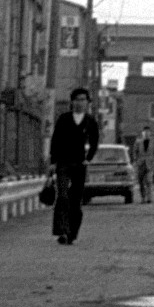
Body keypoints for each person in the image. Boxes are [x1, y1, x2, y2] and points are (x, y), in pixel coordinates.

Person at [48, 86, 99, 245]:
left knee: (76, 199)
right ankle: (62, 230)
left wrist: (88, 158)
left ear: (87, 102)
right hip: (63, 162)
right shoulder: (64, 119)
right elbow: (55, 140)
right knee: (62, 195)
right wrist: (52, 162)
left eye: (83, 100)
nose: (80, 102)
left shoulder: (90, 121)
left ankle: (72, 232)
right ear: (72, 101)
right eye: (77, 99)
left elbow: (94, 141)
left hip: (79, 164)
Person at [133, 125, 154, 203]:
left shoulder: (153, 142)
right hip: (141, 164)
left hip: (150, 164)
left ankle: (149, 198)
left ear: (150, 133)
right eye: (145, 132)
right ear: (142, 133)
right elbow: (135, 152)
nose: (146, 133)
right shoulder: (138, 142)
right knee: (141, 181)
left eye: (148, 132)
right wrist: (136, 161)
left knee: (149, 181)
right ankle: (143, 197)